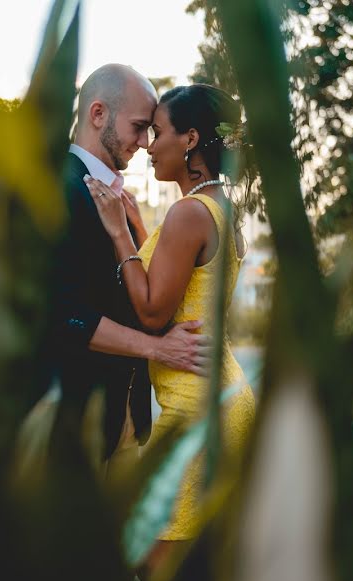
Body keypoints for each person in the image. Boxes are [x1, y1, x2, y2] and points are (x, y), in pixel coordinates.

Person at [84, 83, 256, 576]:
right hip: (221, 393)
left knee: (149, 559)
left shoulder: (186, 213)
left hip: (195, 408)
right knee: (196, 563)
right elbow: (179, 283)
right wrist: (140, 229)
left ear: (190, 139)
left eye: (157, 133)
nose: (148, 147)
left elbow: (155, 312)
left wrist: (119, 233)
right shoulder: (218, 204)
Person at [52, 65, 212, 473]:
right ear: (98, 113)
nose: (144, 143)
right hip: (77, 426)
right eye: (140, 127)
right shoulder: (61, 189)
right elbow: (65, 314)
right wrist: (158, 348)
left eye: (152, 132)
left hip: (128, 420)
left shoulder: (121, 202)